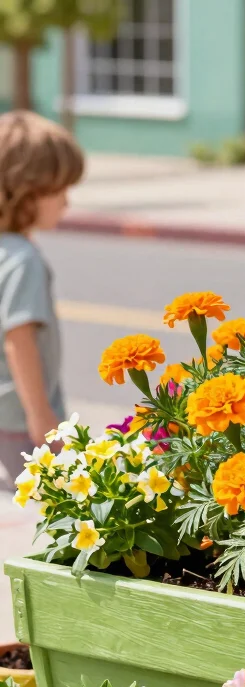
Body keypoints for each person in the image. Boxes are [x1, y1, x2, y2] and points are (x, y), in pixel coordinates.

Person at [0, 110, 84, 487]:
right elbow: (19, 338)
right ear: (27, 192)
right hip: (22, 416)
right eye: (60, 190)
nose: (66, 202)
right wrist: (42, 418)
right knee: (59, 505)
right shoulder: (23, 259)